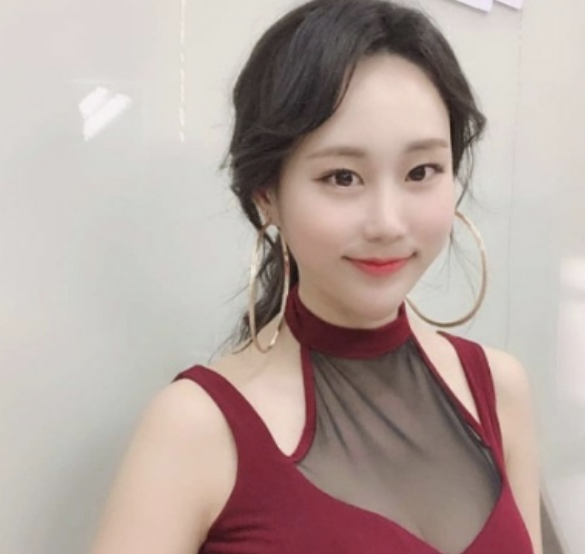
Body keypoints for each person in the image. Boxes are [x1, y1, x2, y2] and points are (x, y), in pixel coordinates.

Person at [89, 0, 542, 553]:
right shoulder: (194, 428)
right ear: (267, 195)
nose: (388, 222)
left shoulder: (499, 389)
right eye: (342, 177)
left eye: (421, 171)